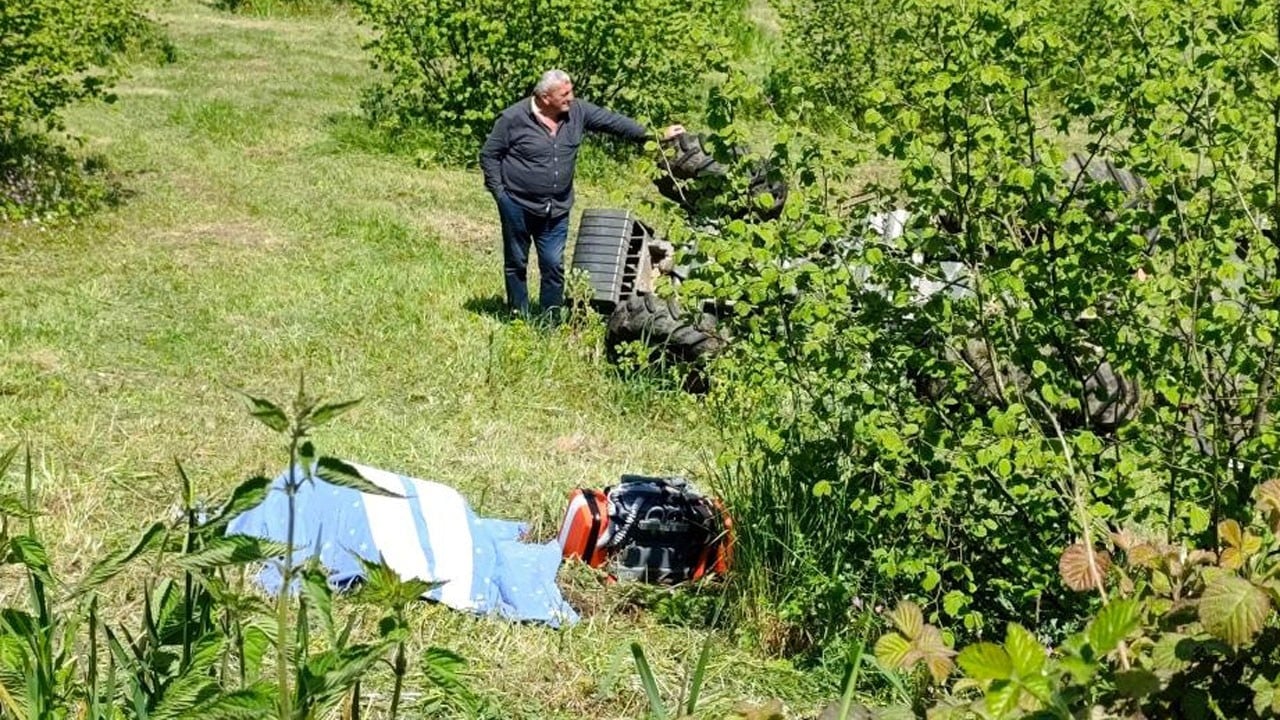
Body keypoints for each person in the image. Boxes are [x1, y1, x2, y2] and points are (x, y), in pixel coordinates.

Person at [480, 69, 684, 317]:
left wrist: (654, 135)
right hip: (517, 204)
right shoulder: (513, 118)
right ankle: (518, 315)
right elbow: (489, 155)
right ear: (545, 98)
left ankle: (550, 319)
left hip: (557, 207)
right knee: (516, 262)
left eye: (571, 91)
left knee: (553, 264)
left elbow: (614, 123)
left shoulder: (577, 111)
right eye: (564, 94)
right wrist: (500, 194)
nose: (571, 98)